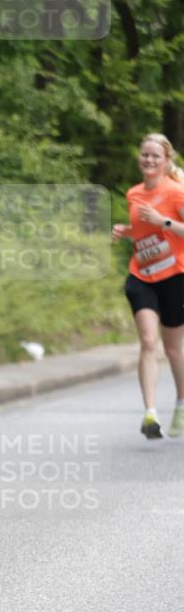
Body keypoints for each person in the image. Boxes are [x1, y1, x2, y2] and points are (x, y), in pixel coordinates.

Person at [112, 132, 184, 438]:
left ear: (166, 161)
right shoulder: (133, 193)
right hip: (142, 275)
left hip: (175, 276)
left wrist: (162, 221)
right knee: (148, 342)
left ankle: (181, 404)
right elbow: (143, 233)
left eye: (155, 155)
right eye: (145, 154)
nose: (149, 160)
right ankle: (150, 413)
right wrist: (126, 232)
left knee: (172, 348)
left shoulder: (176, 193)